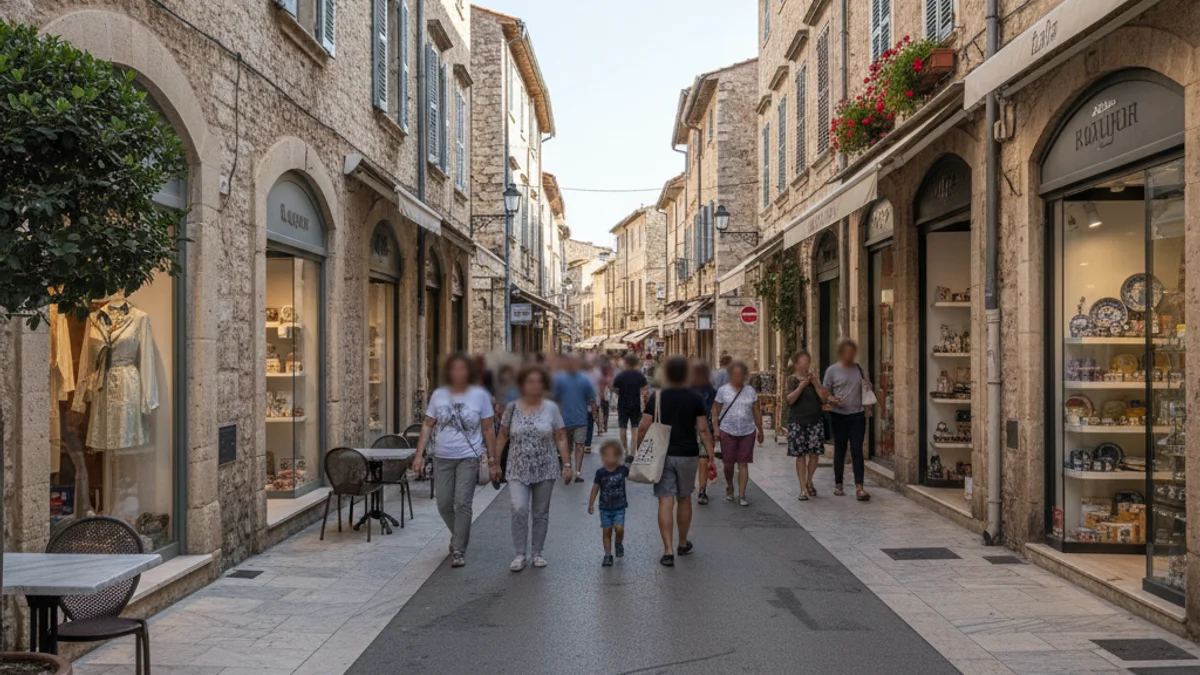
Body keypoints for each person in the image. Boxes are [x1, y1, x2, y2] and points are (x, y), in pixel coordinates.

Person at [413, 353, 497, 568]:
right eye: (454, 369)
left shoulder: (480, 396)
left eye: (462, 369)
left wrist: (493, 458)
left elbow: (488, 428)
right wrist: (419, 454)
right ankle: (459, 533)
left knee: (462, 503)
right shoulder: (439, 395)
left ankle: (459, 549)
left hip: (468, 458)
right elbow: (427, 424)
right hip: (442, 457)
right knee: (443, 504)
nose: (458, 373)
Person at [636, 356, 714, 567]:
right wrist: (711, 453)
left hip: (663, 454)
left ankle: (668, 550)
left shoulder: (658, 397)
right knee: (685, 497)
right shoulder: (695, 397)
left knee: (665, 499)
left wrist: (639, 450)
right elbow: (703, 429)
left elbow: (644, 426)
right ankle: (682, 542)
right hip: (688, 454)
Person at [495, 365, 573, 572]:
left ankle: (537, 552)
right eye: (530, 381)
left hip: (545, 467)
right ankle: (520, 553)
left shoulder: (551, 408)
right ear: (522, 385)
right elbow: (502, 435)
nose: (535, 385)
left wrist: (566, 464)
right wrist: (495, 462)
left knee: (540, 512)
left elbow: (561, 435)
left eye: (539, 381)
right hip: (517, 467)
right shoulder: (512, 407)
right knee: (519, 508)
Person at [823, 340, 873, 501]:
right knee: (840, 449)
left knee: (857, 450)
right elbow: (824, 391)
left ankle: (859, 487)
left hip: (857, 415)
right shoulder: (832, 371)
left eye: (852, 352)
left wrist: (868, 387)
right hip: (838, 415)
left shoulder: (859, 369)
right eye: (846, 352)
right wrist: (831, 398)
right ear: (840, 353)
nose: (849, 355)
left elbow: (866, 386)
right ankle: (839, 484)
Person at [712, 361, 763, 506]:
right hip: (727, 430)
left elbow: (756, 411)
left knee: (743, 463)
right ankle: (730, 486)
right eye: (734, 374)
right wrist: (716, 429)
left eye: (740, 374)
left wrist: (760, 429)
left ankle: (742, 495)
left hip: (747, 431)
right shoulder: (723, 391)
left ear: (744, 376)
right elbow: (715, 411)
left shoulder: (750, 391)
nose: (737, 377)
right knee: (728, 464)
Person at [785, 351, 828, 500]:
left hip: (815, 421)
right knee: (800, 455)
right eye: (803, 362)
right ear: (796, 364)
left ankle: (810, 480)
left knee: (815, 453)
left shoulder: (814, 380)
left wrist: (816, 385)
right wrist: (801, 387)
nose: (806, 365)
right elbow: (789, 400)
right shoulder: (791, 380)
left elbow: (823, 399)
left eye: (808, 361)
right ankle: (802, 488)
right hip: (797, 422)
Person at [552, 354, 596, 483]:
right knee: (568, 447)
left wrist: (594, 411)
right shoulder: (560, 379)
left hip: (579, 419)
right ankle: (568, 468)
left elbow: (591, 397)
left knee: (579, 445)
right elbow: (555, 398)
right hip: (565, 419)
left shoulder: (584, 379)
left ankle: (578, 472)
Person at [587, 440, 629, 567]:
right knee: (606, 531)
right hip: (605, 508)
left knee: (619, 528)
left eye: (611, 455)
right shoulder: (600, 473)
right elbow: (595, 488)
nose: (608, 459)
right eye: (605, 456)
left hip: (619, 507)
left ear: (618, 457)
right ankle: (607, 555)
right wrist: (591, 503)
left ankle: (618, 542)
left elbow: (635, 473)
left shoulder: (622, 470)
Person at [689, 360, 718, 505]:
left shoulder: (686, 388)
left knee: (695, 458)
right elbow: (713, 411)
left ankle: (691, 488)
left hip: (689, 426)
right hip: (705, 426)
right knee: (703, 458)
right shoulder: (710, 389)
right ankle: (701, 491)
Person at [611, 354, 649, 456]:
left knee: (622, 428)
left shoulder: (621, 375)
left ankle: (625, 451)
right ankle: (633, 453)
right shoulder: (639, 375)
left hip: (622, 404)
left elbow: (614, 388)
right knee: (635, 429)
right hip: (636, 404)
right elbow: (644, 390)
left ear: (626, 363)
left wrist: (619, 392)